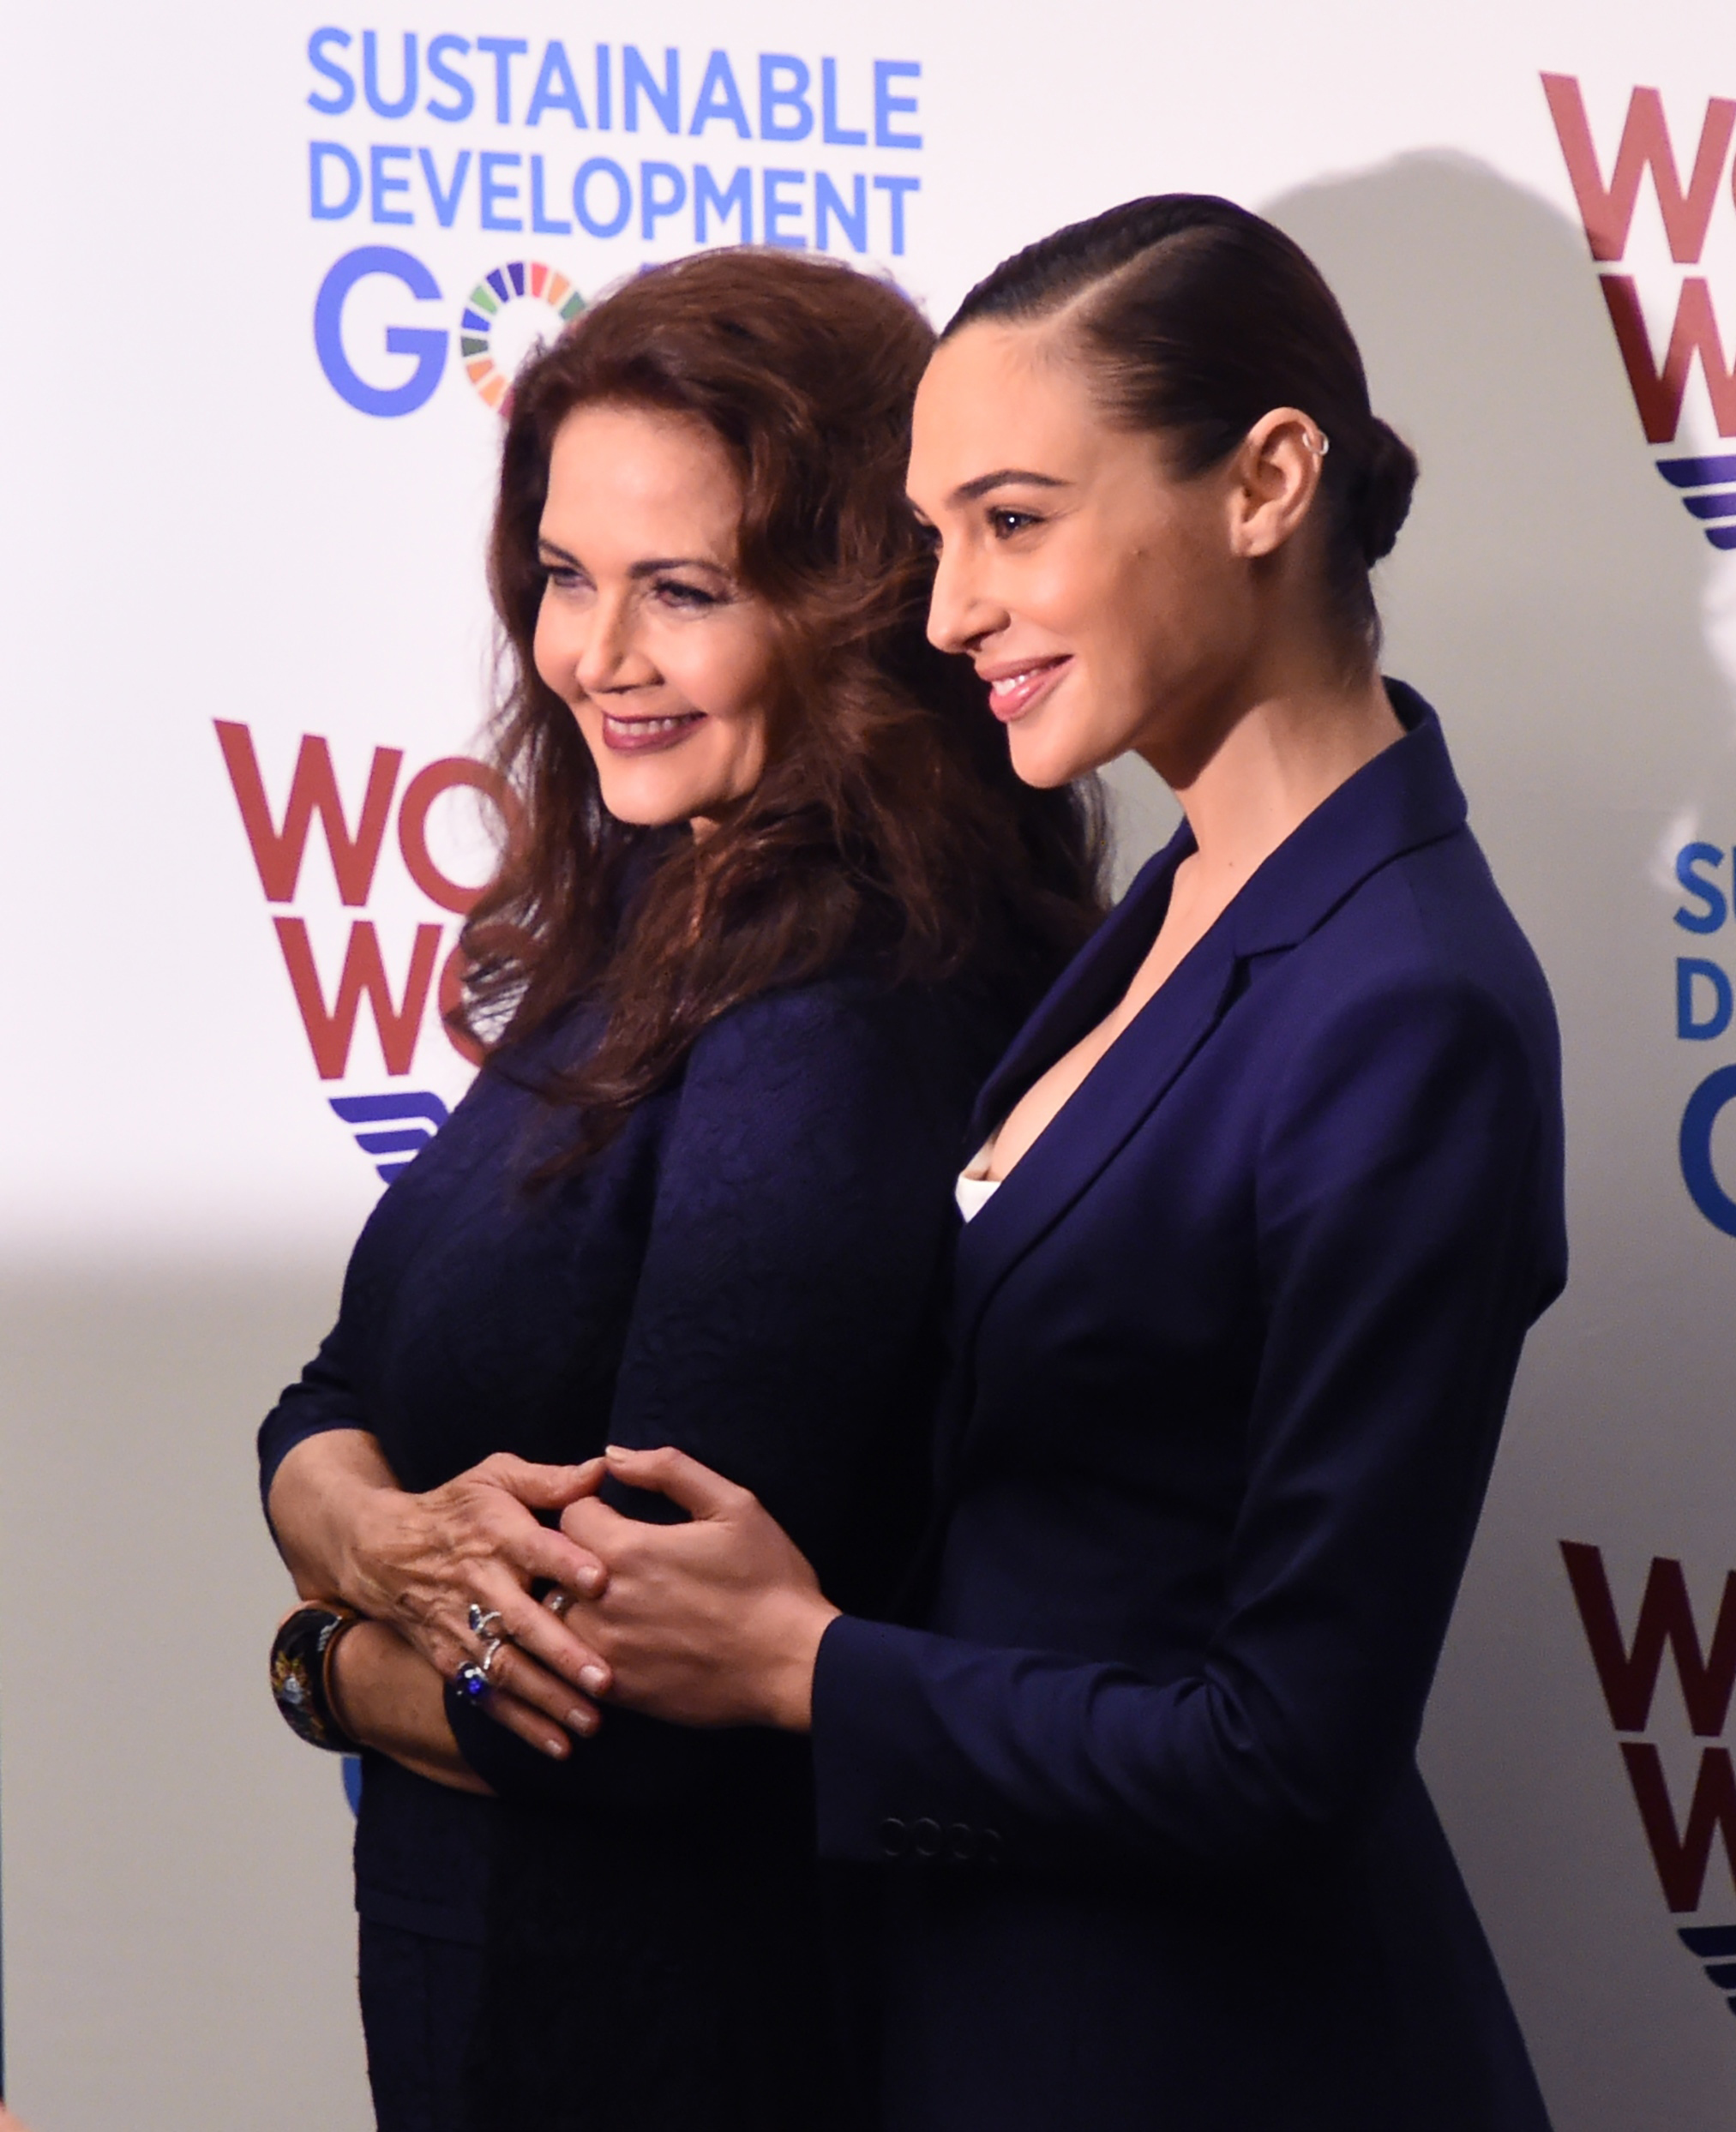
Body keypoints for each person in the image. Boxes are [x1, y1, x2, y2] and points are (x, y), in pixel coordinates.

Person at [540, 195, 1568, 2132]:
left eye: (1011, 522)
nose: (944, 613)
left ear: (1266, 479)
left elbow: (1284, 1753)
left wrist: (808, 1666)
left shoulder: (1407, 1001)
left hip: (1225, 2056)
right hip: (988, 2013)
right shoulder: (1180, 889)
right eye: (938, 540)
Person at [258, 247, 1101, 2132]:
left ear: (859, 608)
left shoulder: (834, 1013)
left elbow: (632, 1708)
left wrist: (319, 1652)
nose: (596, 658)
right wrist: (373, 1528)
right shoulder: (654, 899)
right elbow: (335, 1391)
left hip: (683, 2032)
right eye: (564, 576)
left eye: (683, 591)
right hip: (510, 2006)